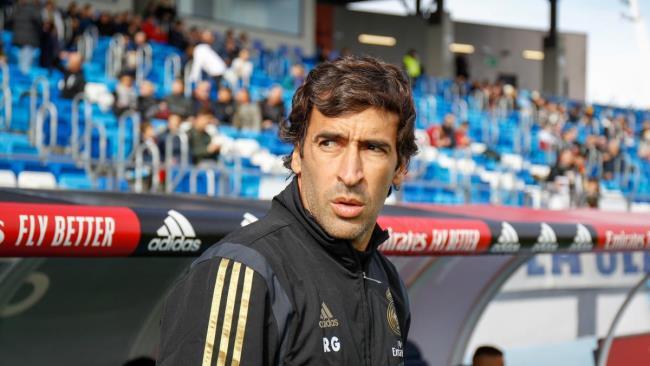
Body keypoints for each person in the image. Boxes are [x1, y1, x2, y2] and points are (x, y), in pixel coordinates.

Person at [158, 55, 416, 365]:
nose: (350, 174)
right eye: (330, 143)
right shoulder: (240, 273)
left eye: (373, 148)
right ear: (297, 156)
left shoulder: (387, 281)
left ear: (400, 167)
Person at [12, 0, 42, 75]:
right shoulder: (34, 9)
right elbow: (40, 21)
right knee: (24, 70)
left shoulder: (18, 9)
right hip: (29, 42)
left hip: (17, 42)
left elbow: (10, 20)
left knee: (17, 69)